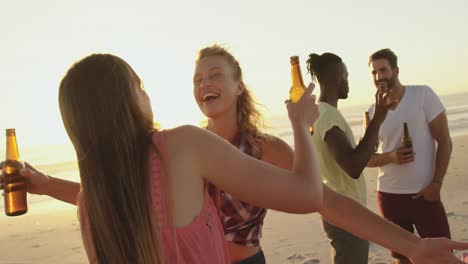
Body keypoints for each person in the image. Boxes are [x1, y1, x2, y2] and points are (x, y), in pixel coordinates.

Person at [3, 50, 468, 264]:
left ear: (237, 85)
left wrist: (409, 246)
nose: (204, 82)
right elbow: (116, 195)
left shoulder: (259, 148)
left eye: (215, 74)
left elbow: (328, 202)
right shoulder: (179, 147)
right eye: (197, 76)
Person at [46, 53, 323, 263]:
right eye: (139, 87)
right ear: (126, 101)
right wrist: (300, 124)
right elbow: (309, 194)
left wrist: (42, 183)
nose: (147, 95)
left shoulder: (89, 208)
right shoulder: (183, 146)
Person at [366, 48, 453, 264]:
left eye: (383, 70)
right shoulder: (372, 111)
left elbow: (444, 141)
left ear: (395, 70)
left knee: (443, 256)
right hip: (389, 196)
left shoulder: (422, 95)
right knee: (402, 259)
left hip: (424, 194)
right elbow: (366, 159)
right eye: (374, 73)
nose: (379, 77)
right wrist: (391, 157)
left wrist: (437, 183)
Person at [306, 52, 388, 264]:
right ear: (337, 77)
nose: (348, 82)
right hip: (346, 212)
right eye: (346, 76)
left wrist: (369, 138)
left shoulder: (319, 113)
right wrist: (378, 119)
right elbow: (352, 166)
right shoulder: (328, 115)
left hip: (338, 208)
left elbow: (347, 157)